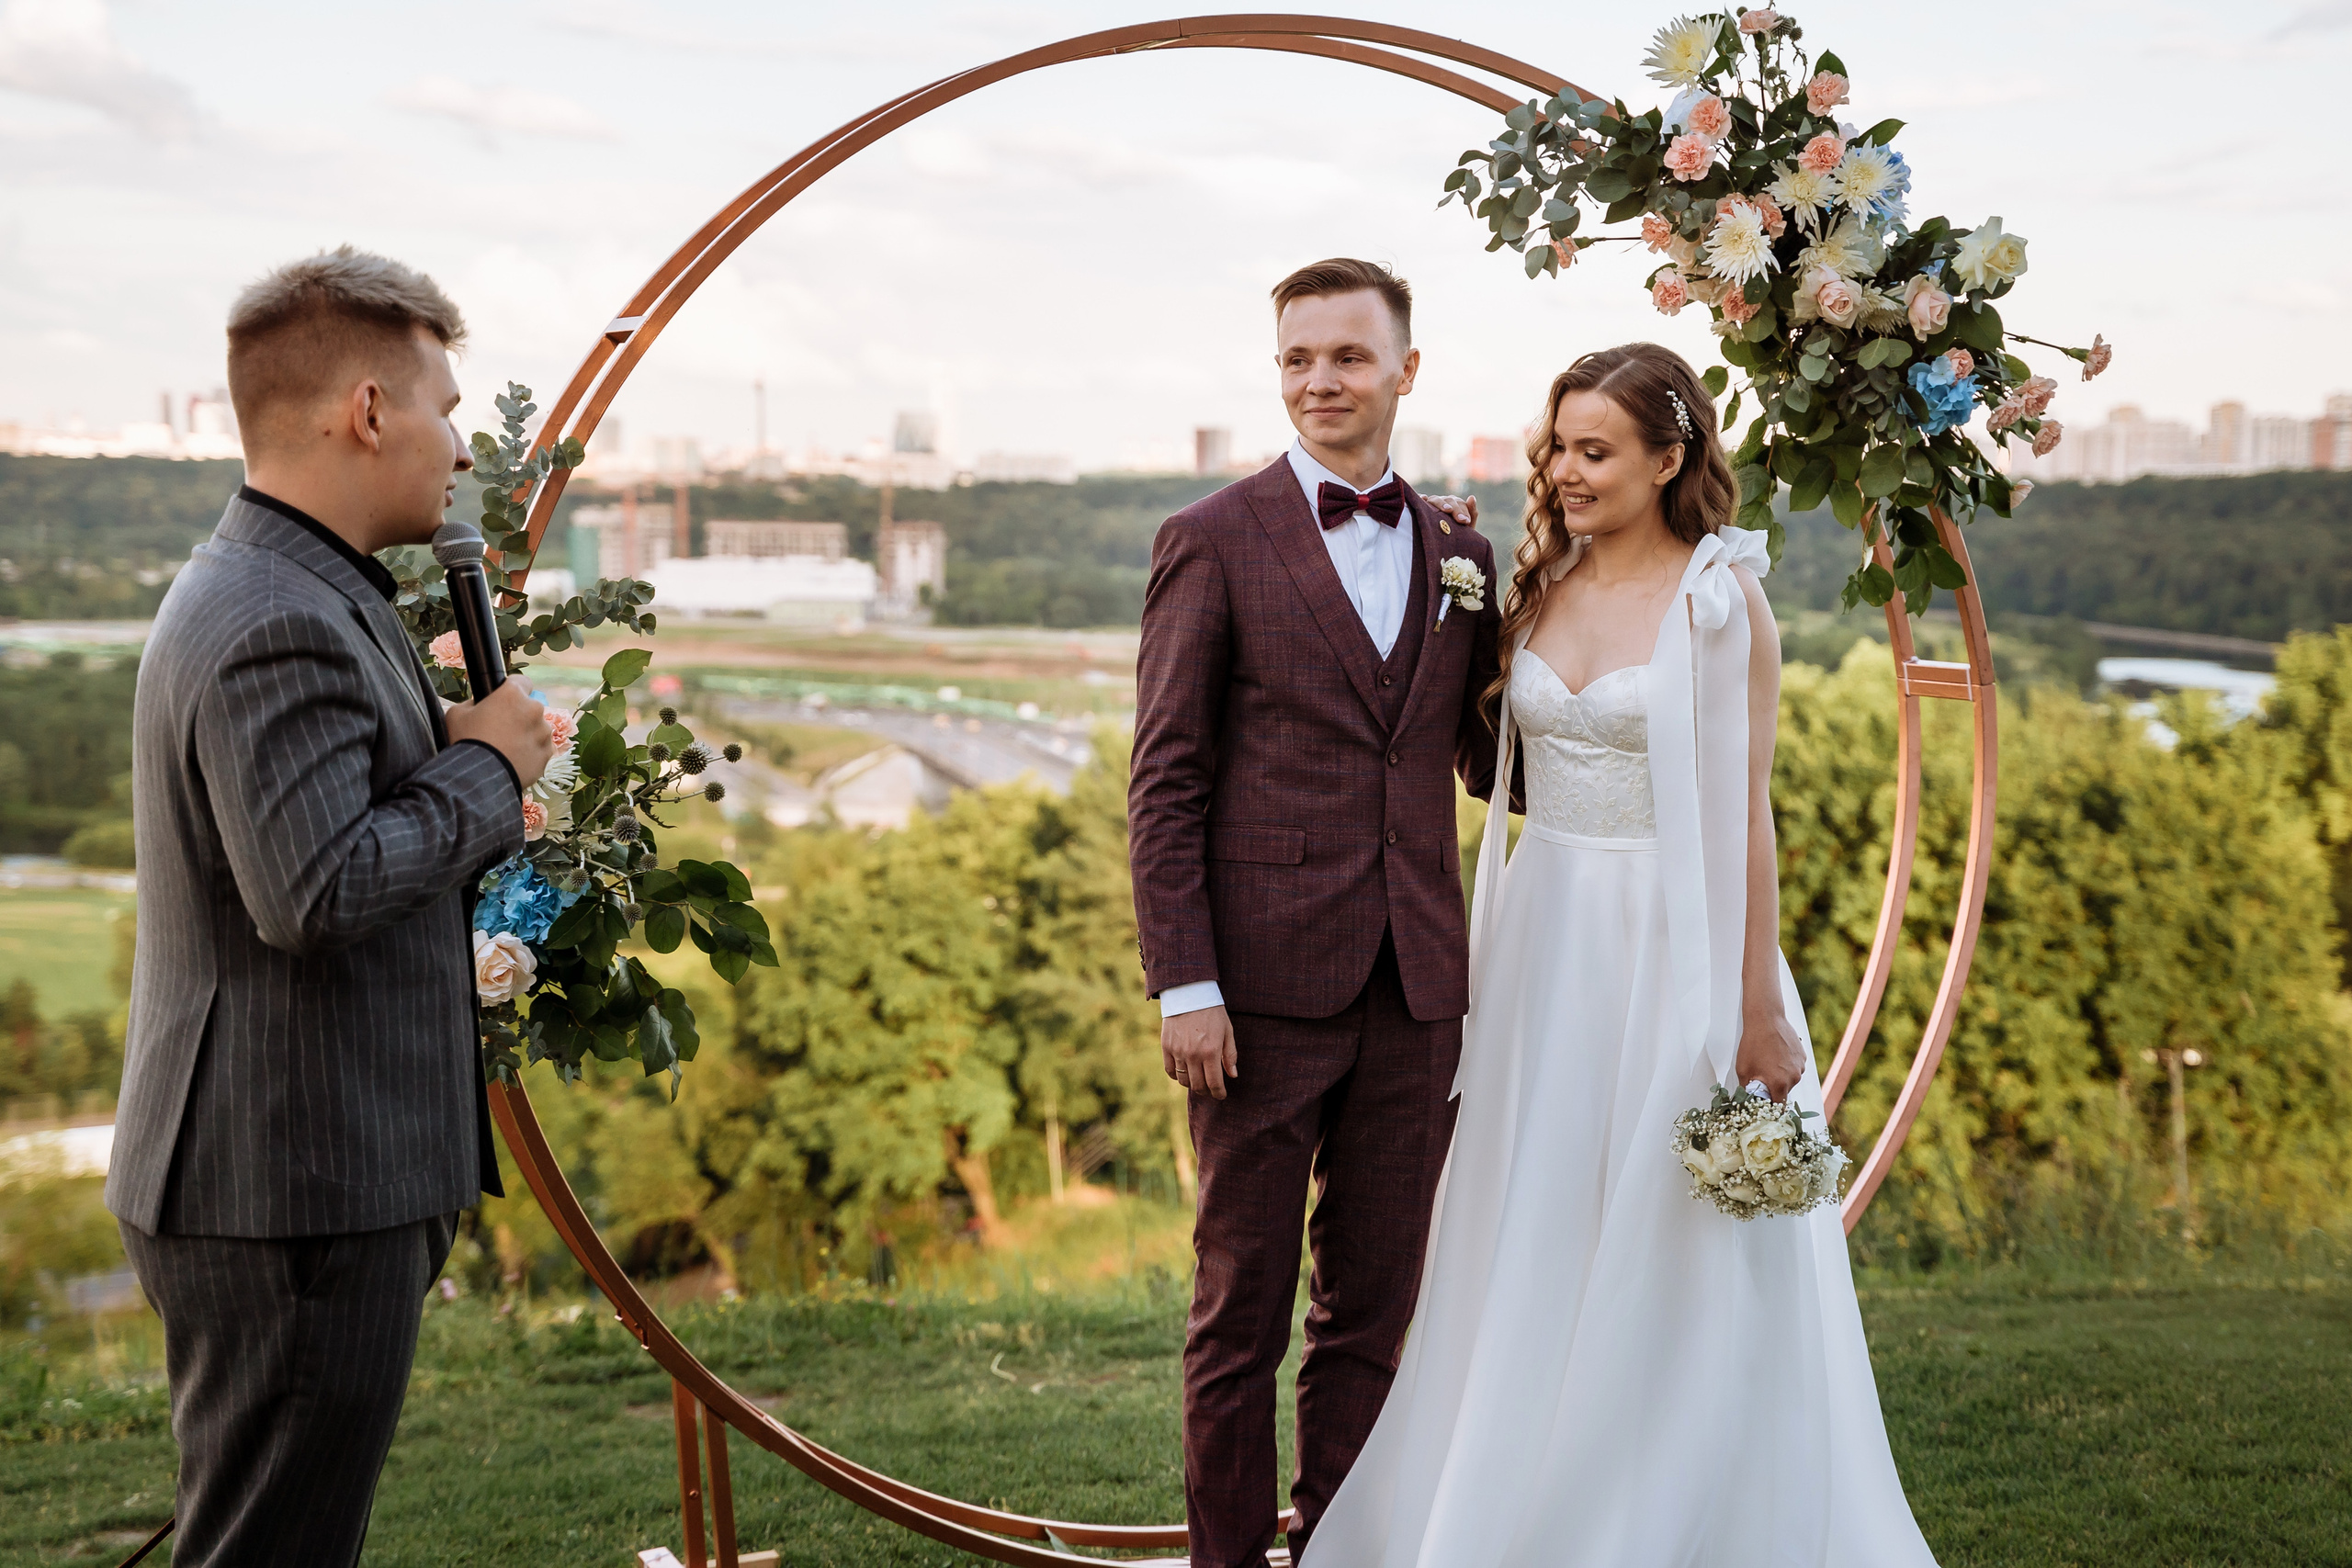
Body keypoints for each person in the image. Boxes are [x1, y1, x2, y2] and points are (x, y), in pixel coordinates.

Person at [1301, 343, 1941, 1566]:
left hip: (1673, 942)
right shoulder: (1537, 584)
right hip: (1544, 939)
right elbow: (1484, 753)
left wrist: (1756, 1008)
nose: (1567, 471)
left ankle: (1655, 1510)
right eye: (1559, 448)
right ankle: (1505, 1491)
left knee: (1667, 1232)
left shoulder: (1719, 597)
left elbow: (1744, 811)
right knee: (1529, 1216)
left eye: (1596, 451)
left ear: (1671, 456)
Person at [105, 246, 556, 1566]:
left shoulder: (294, 584)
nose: (465, 452)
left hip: (293, 1169)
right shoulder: (273, 618)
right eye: (448, 409)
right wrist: (492, 769)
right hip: (292, 1178)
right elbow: (320, 888)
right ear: (368, 411)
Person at [1127, 257, 1506, 1568]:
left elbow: (1481, 753)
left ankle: (1341, 1549)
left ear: (1408, 370)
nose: (1320, 381)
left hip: (1417, 992)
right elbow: (1166, 779)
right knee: (1239, 1313)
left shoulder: (1461, 548)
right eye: (1297, 358)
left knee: (1372, 1311)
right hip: (1258, 999)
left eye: (1348, 356)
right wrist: (1186, 984)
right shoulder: (1212, 538)